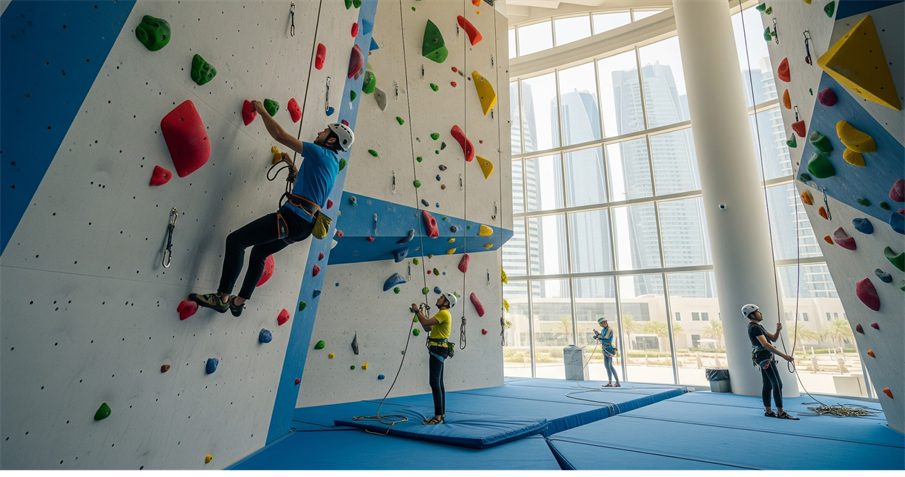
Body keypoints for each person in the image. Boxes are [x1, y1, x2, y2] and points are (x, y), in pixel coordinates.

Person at [189, 100, 354, 317]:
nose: (319, 132)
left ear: (331, 139)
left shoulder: (319, 153)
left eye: (324, 131)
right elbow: (311, 189)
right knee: (259, 253)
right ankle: (238, 303)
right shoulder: (331, 163)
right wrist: (293, 166)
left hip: (293, 218)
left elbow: (280, 136)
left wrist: (262, 110)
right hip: (303, 226)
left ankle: (223, 298)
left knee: (236, 241)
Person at [742, 304, 799, 420]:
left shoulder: (758, 326)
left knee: (767, 384)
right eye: (758, 312)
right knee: (777, 384)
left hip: (763, 357)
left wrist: (778, 330)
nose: (761, 313)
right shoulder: (755, 327)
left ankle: (769, 411)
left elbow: (773, 338)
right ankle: (781, 412)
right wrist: (784, 356)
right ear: (752, 314)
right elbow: (765, 344)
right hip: (765, 358)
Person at [410, 293, 457, 425]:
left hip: (438, 349)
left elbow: (425, 322)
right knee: (438, 382)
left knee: (434, 382)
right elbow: (427, 327)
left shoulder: (443, 313)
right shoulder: (442, 315)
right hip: (438, 348)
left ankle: (438, 417)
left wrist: (417, 311)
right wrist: (421, 314)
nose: (438, 298)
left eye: (441, 298)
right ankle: (440, 414)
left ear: (446, 302)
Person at [594, 317, 620, 388]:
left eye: (601, 323)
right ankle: (610, 382)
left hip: (609, 349)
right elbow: (602, 336)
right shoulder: (603, 330)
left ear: (605, 322)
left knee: (610, 366)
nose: (601, 325)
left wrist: (599, 337)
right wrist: (598, 334)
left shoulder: (609, 329)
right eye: (600, 324)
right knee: (607, 366)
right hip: (604, 348)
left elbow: (606, 337)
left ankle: (616, 382)